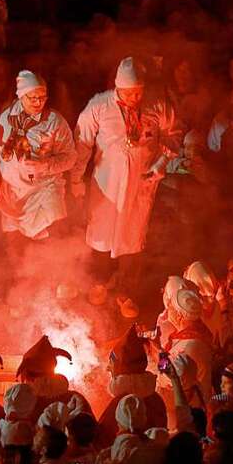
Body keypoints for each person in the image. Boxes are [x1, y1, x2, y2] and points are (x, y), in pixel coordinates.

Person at [71, 57, 182, 292]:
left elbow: (175, 134)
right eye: (129, 93)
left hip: (140, 184)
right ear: (117, 88)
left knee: (133, 237)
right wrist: (75, 178)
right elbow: (82, 144)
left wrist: (162, 162)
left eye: (138, 92)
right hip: (106, 185)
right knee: (100, 235)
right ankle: (98, 284)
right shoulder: (99, 106)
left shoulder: (157, 105)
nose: (135, 98)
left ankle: (126, 292)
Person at [0, 70, 76, 241]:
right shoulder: (6, 117)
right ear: (21, 96)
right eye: (33, 97)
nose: (39, 102)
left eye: (43, 97)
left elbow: (70, 157)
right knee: (15, 243)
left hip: (44, 188)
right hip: (14, 191)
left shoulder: (55, 121)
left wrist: (45, 165)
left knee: (51, 230)